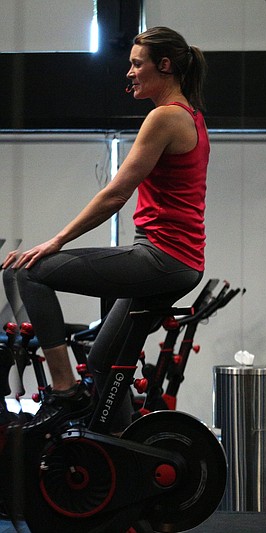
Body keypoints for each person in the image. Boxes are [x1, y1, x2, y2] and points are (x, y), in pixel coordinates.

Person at [2, 26, 209, 433]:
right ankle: (119, 450)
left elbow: (115, 194)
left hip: (161, 259)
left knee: (27, 272)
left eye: (137, 64)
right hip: (176, 262)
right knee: (102, 363)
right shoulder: (192, 117)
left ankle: (64, 389)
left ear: (164, 66)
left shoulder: (165, 117)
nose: (129, 73)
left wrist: (56, 241)